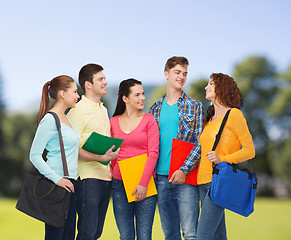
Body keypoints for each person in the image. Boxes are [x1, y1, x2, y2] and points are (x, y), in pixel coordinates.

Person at [149, 56, 204, 240]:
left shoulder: (195, 106)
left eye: (185, 73)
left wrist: (184, 169)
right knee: (170, 234)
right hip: (161, 179)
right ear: (166, 74)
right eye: (177, 72)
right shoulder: (154, 108)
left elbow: (200, 142)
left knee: (191, 234)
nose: (182, 76)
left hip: (186, 179)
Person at [196, 73, 255, 240]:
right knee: (218, 236)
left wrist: (223, 159)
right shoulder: (209, 120)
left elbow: (250, 150)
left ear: (222, 88)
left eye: (211, 84)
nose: (206, 87)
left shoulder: (234, 115)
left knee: (203, 236)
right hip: (202, 182)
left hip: (219, 181)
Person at [67, 64, 119, 240]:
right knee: (87, 233)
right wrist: (101, 157)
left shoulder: (102, 109)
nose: (105, 82)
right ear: (88, 84)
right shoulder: (77, 111)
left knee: (95, 233)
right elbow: (71, 149)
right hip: (87, 179)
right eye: (101, 79)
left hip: (105, 177)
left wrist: (109, 161)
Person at [29, 75, 80, 240]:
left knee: (67, 236)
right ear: (63, 94)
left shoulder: (67, 120)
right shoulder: (50, 120)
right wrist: (58, 180)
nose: (78, 95)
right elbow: (35, 155)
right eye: (74, 91)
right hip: (57, 186)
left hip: (71, 185)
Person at [110, 78, 159, 240]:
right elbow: (110, 153)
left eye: (143, 94)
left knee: (144, 236)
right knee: (125, 236)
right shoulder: (113, 122)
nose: (142, 98)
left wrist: (143, 184)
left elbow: (153, 153)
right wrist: (110, 169)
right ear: (125, 98)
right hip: (119, 185)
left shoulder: (149, 120)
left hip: (145, 184)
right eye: (137, 94)